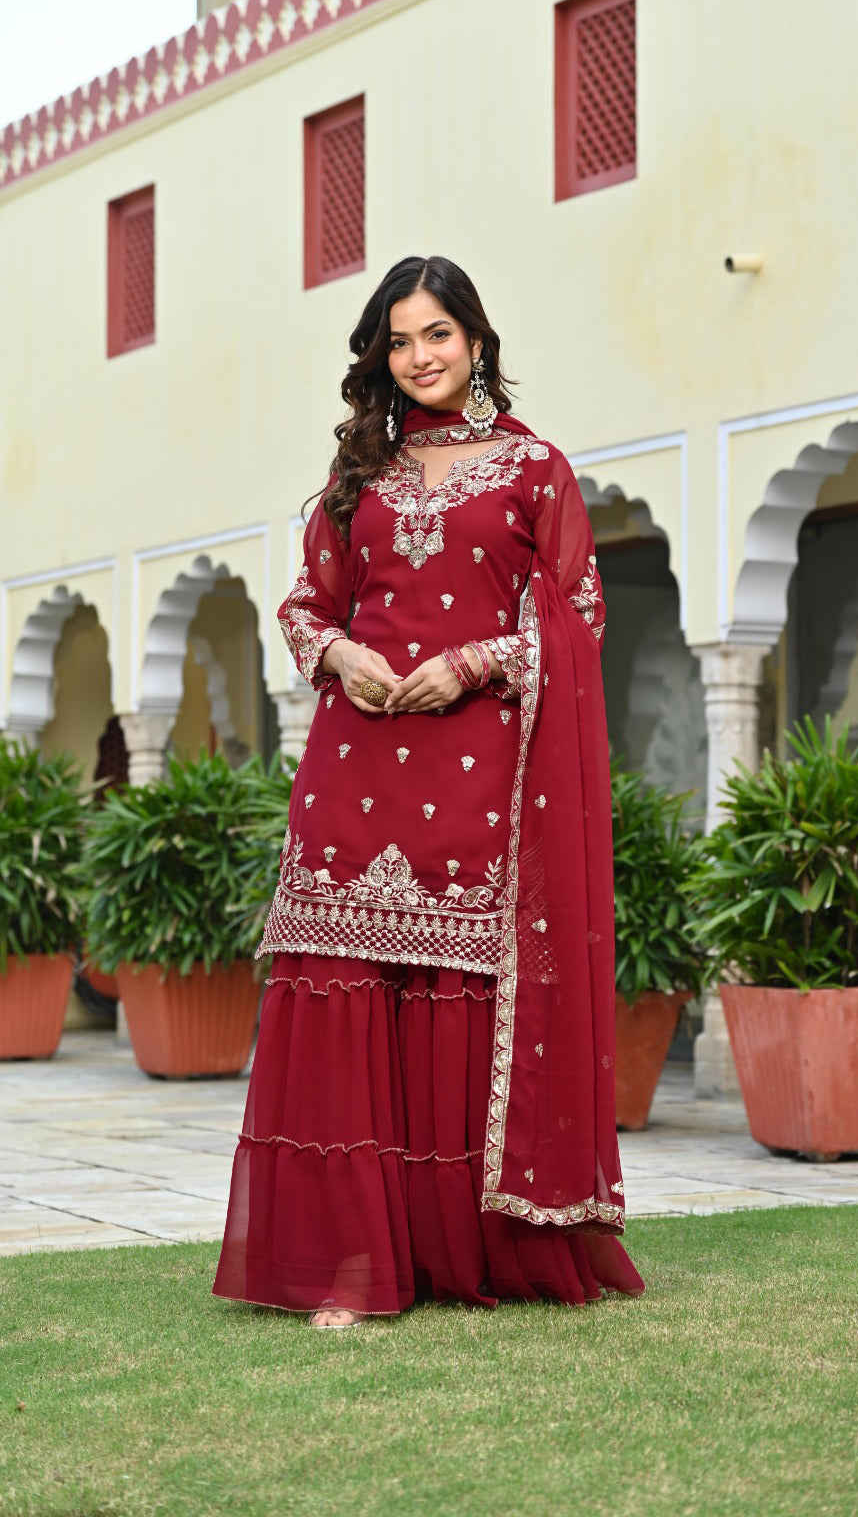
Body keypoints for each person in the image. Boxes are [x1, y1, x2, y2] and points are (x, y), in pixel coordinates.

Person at [213, 255, 644, 1325]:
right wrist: (337, 657)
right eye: (399, 341)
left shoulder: (535, 471)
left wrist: (472, 661)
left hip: (484, 773)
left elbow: (577, 616)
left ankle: (463, 1253)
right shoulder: (359, 474)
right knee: (348, 998)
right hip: (354, 767)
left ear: (477, 340)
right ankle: (349, 1265)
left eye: (436, 335)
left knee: (455, 1005)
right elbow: (309, 602)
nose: (418, 358)